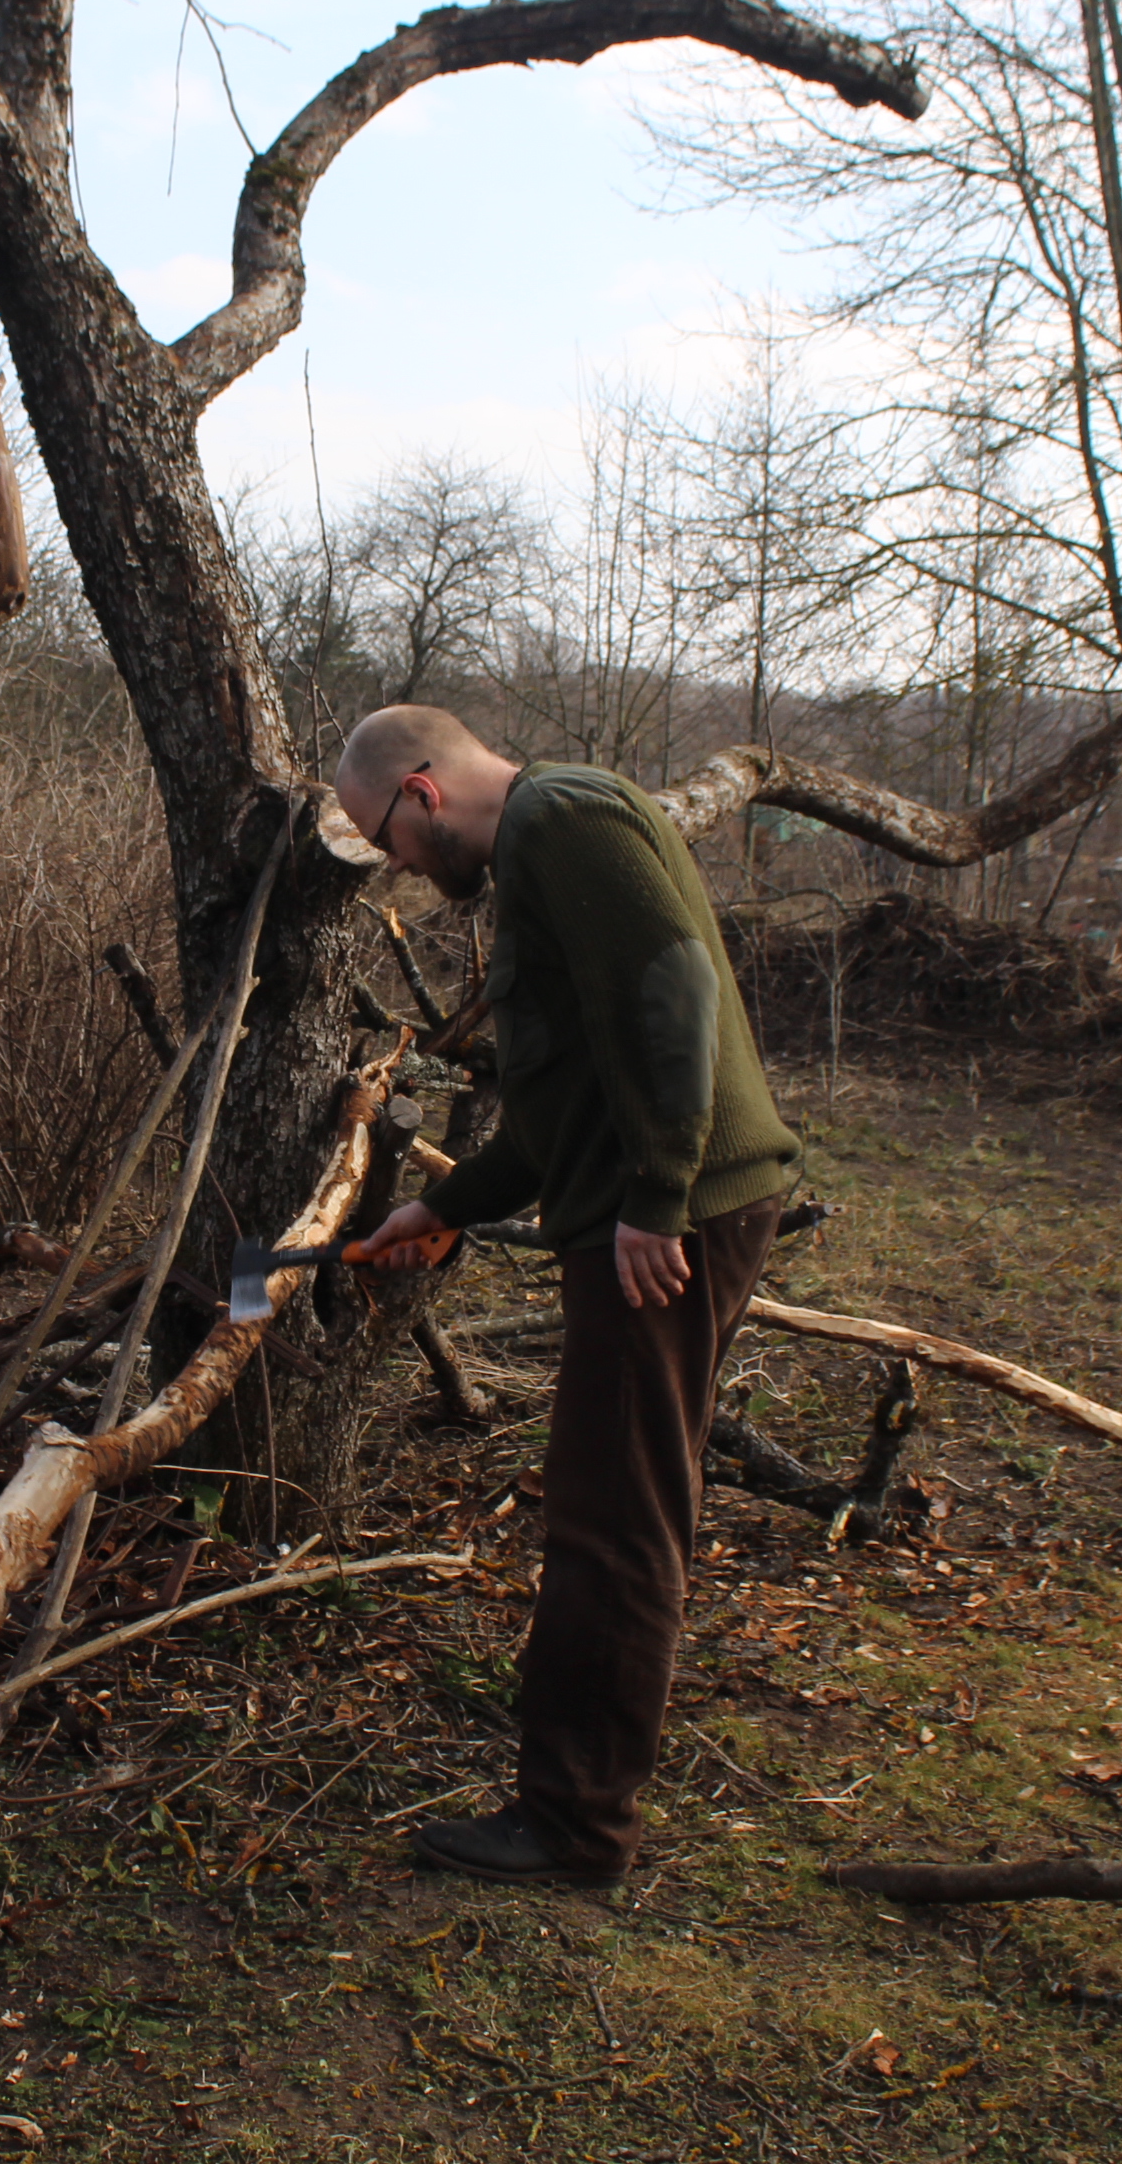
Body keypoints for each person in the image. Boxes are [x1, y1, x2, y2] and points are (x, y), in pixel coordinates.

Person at [341, 705, 801, 1887]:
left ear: (422, 792)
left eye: (388, 840)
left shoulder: (562, 818)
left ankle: (576, 1827)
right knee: (618, 1497)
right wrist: (449, 1204)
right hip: (653, 1211)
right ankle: (579, 1799)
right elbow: (562, 1104)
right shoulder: (543, 842)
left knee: (615, 1514)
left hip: (663, 1226)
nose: (399, 866)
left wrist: (657, 1195)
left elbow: (674, 991)